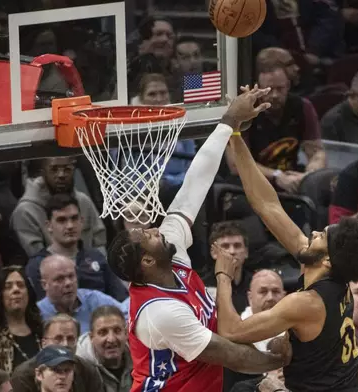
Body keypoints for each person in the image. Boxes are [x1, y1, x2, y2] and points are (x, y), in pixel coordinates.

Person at [106, 86, 288, 392]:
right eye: (146, 235)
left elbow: (193, 186)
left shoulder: (172, 256)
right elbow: (231, 356)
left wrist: (228, 123)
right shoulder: (159, 312)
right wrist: (281, 359)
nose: (154, 229)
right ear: (148, 261)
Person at [223, 90, 358, 392]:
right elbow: (267, 205)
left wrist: (223, 276)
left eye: (323, 236)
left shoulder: (306, 303)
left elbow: (232, 330)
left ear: (329, 259)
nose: (316, 232)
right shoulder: (329, 272)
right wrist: (236, 132)